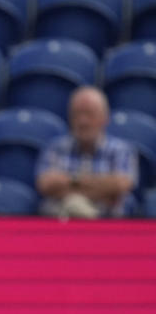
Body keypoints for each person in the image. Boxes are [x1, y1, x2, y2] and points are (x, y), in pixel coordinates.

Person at [36, 86, 138, 219]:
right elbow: (45, 184)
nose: (83, 121)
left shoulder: (121, 150)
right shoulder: (55, 147)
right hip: (61, 227)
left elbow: (121, 185)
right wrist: (103, 190)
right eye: (77, 114)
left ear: (104, 118)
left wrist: (69, 184)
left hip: (109, 227)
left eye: (89, 114)